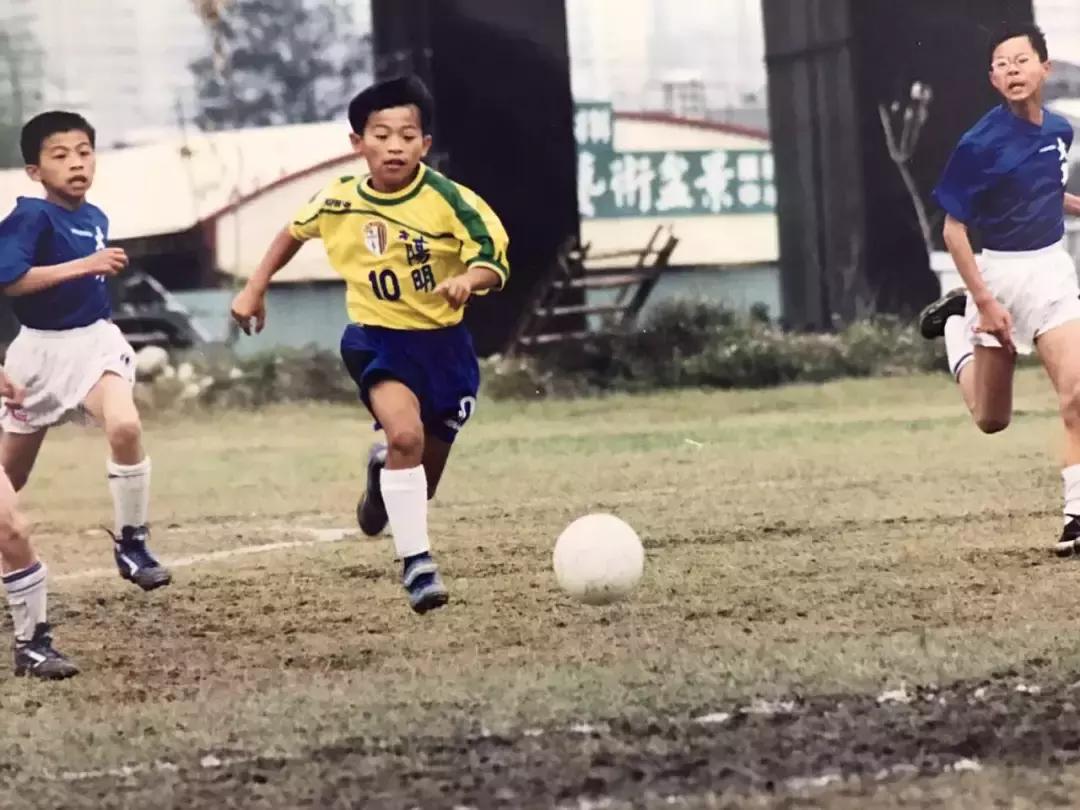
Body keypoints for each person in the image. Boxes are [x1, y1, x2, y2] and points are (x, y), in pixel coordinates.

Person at [230, 76, 509, 613]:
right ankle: (418, 564)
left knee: (419, 482)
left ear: (425, 145)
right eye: (381, 134)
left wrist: (467, 281)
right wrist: (254, 285)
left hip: (444, 348)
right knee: (404, 436)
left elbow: (493, 260)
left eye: (408, 135)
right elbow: (292, 231)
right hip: (376, 339)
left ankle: (381, 483)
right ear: (357, 142)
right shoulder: (337, 199)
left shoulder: (451, 201)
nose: (395, 146)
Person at [0, 111, 172, 678]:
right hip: (37, 355)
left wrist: (88, 270)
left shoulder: (95, 215)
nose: (76, 163)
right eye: (61, 154)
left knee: (124, 426)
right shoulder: (30, 217)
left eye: (84, 152)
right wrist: (85, 266)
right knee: (11, 485)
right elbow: (11, 280)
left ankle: (132, 542)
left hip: (94, 343)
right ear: (34, 169)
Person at [919, 23, 1080, 555]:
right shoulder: (978, 144)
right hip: (998, 278)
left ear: (1044, 68)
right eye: (1001, 64)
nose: (1012, 70)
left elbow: (1044, 189)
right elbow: (953, 229)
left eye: (1020, 60)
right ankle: (955, 326)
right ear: (992, 78)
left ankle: (1076, 517)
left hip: (1051, 273)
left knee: (1077, 394)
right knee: (991, 419)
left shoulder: (1061, 130)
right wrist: (985, 303)